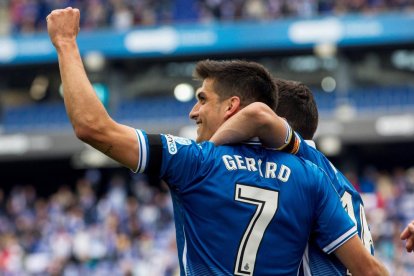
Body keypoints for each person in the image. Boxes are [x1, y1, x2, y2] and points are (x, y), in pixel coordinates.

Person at [46, 8, 388, 275]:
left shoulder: (197, 162)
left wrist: (65, 43)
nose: (194, 112)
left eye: (202, 99)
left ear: (232, 106)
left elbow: (93, 127)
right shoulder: (311, 175)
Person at [210, 79, 377, 275]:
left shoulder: (304, 163)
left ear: (279, 123)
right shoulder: (339, 180)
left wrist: (206, 155)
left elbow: (259, 117)